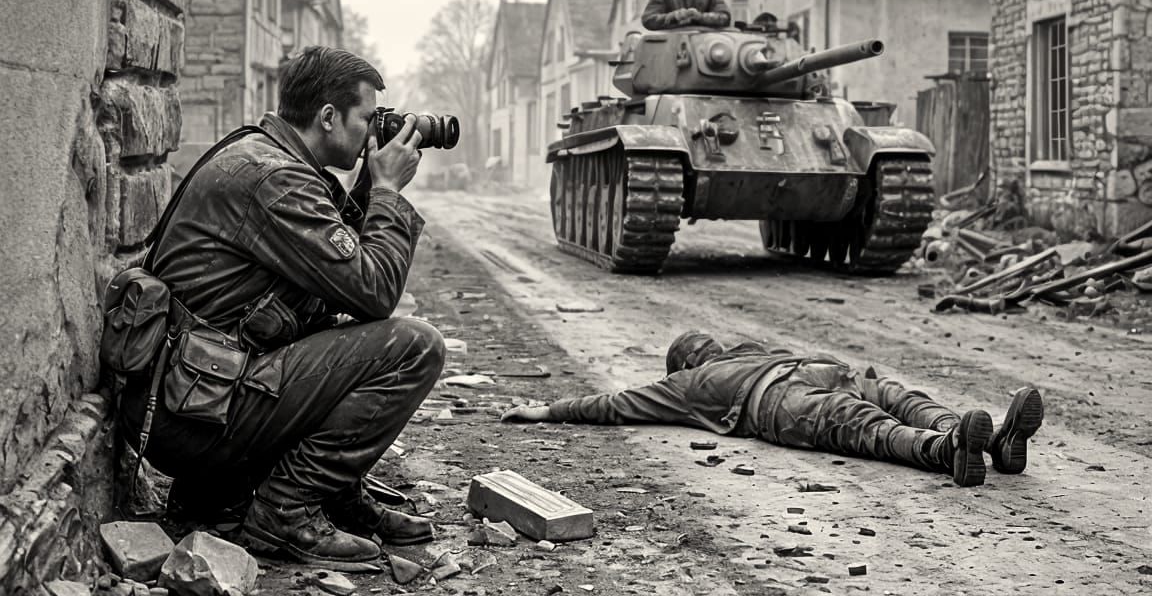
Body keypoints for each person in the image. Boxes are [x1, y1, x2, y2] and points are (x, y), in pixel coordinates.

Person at [118, 46, 446, 569]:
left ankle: (332, 492)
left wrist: (366, 186)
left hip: (195, 399)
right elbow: (375, 288)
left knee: (341, 326)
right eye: (366, 118)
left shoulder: (269, 157)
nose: (371, 133)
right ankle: (285, 510)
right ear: (328, 117)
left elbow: (339, 267)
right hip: (194, 417)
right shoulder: (276, 179)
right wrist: (386, 190)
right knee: (414, 347)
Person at [502, 332, 1044, 488]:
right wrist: (548, 410)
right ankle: (969, 441)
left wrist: (547, 410)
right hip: (809, 380)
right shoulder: (717, 367)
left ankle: (964, 445)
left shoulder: (696, 379)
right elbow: (616, 405)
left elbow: (614, 406)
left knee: (871, 422)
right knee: (894, 406)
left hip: (793, 391)